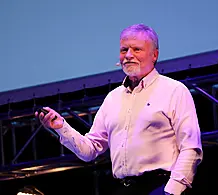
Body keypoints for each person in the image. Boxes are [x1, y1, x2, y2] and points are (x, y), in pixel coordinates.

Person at [36, 23, 203, 195]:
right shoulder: (113, 99)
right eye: (124, 50)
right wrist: (61, 127)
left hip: (159, 185)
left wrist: (172, 191)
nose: (128, 55)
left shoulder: (174, 90)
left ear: (154, 55)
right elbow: (90, 150)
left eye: (136, 49)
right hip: (123, 189)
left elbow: (191, 147)